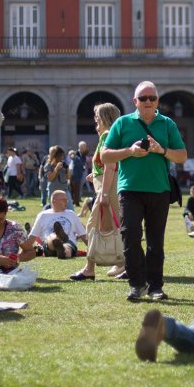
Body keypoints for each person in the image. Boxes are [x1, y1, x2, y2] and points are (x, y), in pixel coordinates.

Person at [101, 81, 187, 302]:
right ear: (135, 101)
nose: (148, 102)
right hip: (129, 189)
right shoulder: (122, 123)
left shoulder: (167, 124)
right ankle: (136, 284)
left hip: (159, 190)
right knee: (130, 236)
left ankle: (155, 287)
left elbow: (182, 156)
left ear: (157, 101)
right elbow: (105, 155)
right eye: (143, 98)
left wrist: (162, 150)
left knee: (155, 241)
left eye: (152, 98)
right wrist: (130, 151)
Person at [71, 102, 125, 281]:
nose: (95, 120)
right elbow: (105, 166)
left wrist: (103, 193)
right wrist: (93, 175)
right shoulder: (114, 134)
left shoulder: (107, 136)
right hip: (108, 185)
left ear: (104, 118)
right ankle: (123, 263)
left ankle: (90, 268)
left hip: (107, 188)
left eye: (97, 116)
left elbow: (111, 165)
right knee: (114, 226)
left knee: (93, 226)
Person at [28, 190, 86, 259]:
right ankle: (58, 240)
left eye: (67, 200)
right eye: (63, 200)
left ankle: (62, 250)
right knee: (52, 237)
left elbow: (83, 234)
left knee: (67, 246)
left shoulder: (71, 214)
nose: (66, 202)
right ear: (54, 201)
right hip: (49, 244)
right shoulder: (43, 215)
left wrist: (93, 248)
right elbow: (33, 235)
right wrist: (25, 247)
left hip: (69, 241)